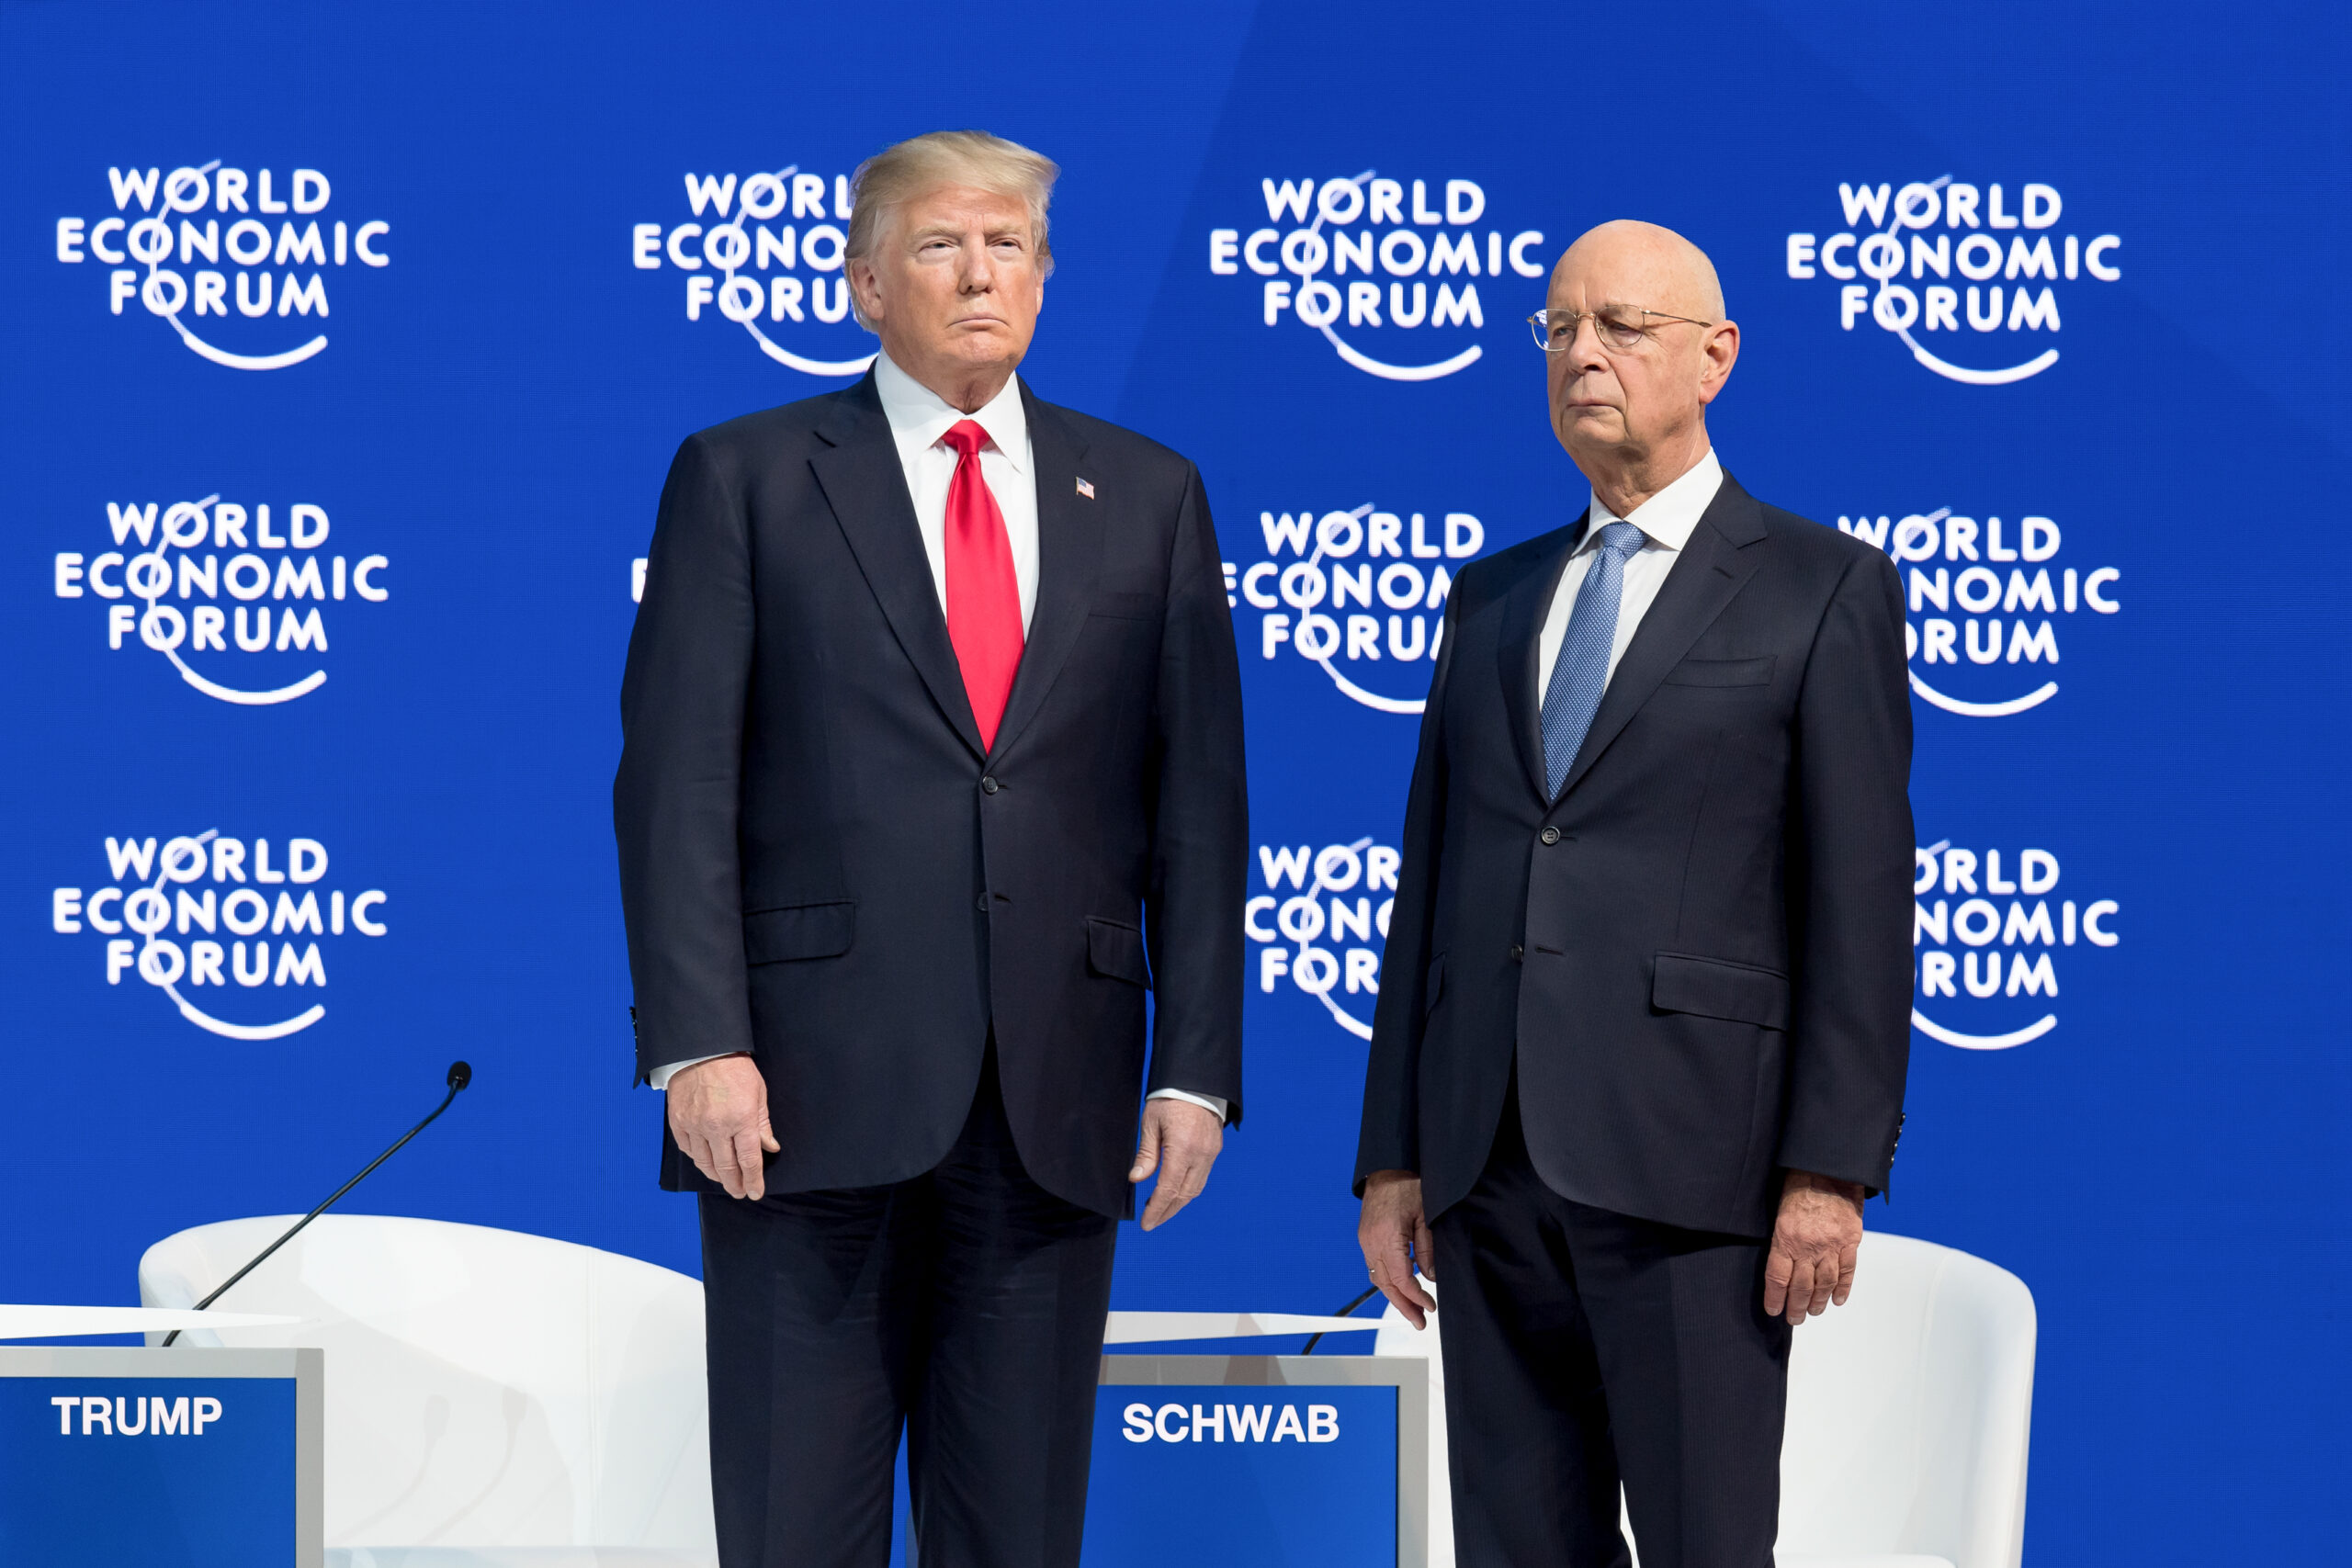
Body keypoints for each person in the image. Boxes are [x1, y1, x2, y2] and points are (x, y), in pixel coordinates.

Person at [614, 130, 1246, 1568]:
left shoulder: (1147, 494)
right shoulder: (750, 477)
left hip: (1054, 1105)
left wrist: (1196, 1066)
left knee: (1018, 1536)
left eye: (1009, 246)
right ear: (864, 283)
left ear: (1044, 276)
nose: (980, 276)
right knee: (795, 1531)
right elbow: (675, 783)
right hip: (798, 1107)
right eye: (941, 246)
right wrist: (699, 1041)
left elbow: (1200, 808)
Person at [1354, 220, 1914, 1568]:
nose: (1582, 354)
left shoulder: (1822, 587)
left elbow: (1860, 902)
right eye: (1558, 330)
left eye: (1621, 327)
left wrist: (1829, 1171)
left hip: (1695, 1173)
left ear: (1717, 357)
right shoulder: (1488, 597)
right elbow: (1431, 880)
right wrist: (1392, 1156)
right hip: (1488, 1168)